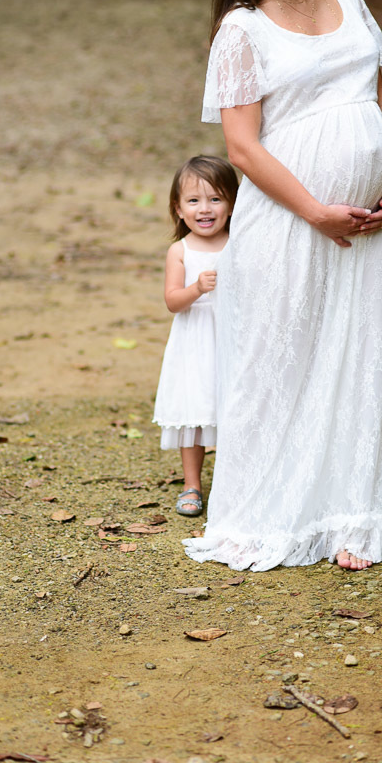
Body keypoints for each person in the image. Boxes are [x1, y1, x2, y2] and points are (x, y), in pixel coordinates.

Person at [184, 0, 382, 571]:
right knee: (281, 363)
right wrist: (315, 210)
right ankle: (269, 516)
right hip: (291, 222)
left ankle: (350, 517)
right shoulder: (241, 29)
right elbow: (242, 147)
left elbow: (374, 89)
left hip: (368, 220)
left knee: (355, 356)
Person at [153, 155, 239, 516]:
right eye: (194, 200)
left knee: (235, 407)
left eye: (215, 199)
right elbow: (173, 301)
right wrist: (197, 288)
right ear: (178, 208)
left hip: (234, 335)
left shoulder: (239, 243)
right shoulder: (180, 250)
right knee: (196, 412)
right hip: (196, 339)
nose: (205, 209)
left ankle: (237, 484)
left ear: (233, 203)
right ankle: (192, 484)